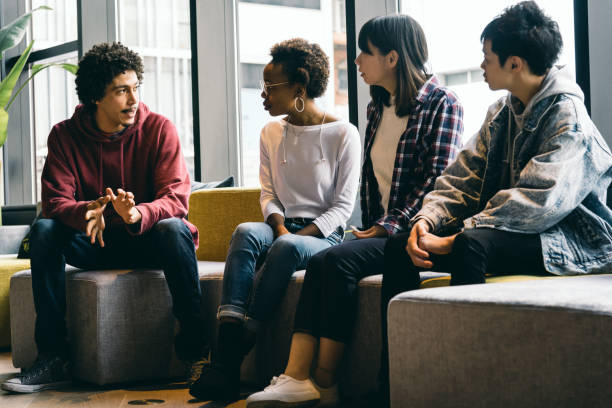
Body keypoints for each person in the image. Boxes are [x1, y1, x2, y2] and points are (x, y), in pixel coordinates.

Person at [381, 0, 612, 405]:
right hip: (511, 230)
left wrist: (457, 237)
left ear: (515, 64)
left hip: (570, 240)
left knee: (472, 245)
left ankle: (463, 382)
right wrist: (427, 221)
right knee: (401, 243)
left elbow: (537, 202)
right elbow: (462, 176)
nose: (482, 65)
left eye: (488, 58)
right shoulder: (501, 113)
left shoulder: (568, 117)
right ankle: (392, 385)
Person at [246, 15, 463, 408]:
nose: (358, 60)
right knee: (328, 258)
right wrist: (371, 227)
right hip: (381, 230)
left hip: (414, 232)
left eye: (365, 52)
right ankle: (311, 382)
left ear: (393, 57)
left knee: (331, 261)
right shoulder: (378, 107)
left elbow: (436, 182)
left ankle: (313, 380)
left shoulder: (442, 104)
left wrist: (384, 228)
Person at [1, 42, 208, 393]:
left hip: (145, 240)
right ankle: (52, 358)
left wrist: (138, 212)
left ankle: (198, 354)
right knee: (45, 230)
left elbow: (176, 198)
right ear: (97, 96)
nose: (133, 100)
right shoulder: (65, 136)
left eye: (135, 88)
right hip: (94, 243)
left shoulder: (159, 129)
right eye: (121, 91)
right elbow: (54, 201)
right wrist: (87, 211)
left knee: (175, 228)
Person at [189, 38, 361, 402]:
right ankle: (230, 340)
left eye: (270, 87)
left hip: (324, 236)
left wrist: (295, 235)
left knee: (285, 245)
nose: (262, 95)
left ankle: (229, 360)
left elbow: (343, 207)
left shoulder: (343, 133)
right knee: (246, 232)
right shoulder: (271, 131)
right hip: (282, 226)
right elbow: (267, 193)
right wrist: (279, 226)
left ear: (299, 89)